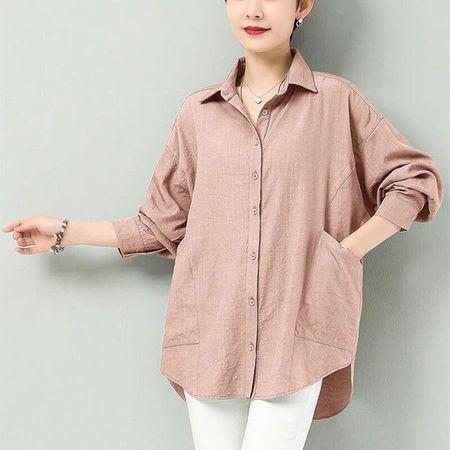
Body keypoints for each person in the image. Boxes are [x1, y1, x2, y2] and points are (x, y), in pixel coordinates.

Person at [2, 0, 444, 449]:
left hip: (298, 327)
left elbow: (416, 180)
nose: (253, 10)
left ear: (301, 6)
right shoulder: (198, 113)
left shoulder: (337, 102)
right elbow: (159, 225)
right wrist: (64, 231)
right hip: (211, 333)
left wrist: (347, 251)